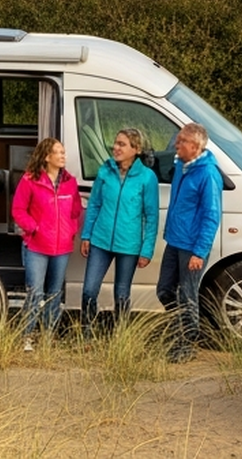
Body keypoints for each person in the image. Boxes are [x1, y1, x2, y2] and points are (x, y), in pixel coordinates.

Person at [77, 127, 158, 337]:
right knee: (88, 291)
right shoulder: (105, 170)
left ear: (136, 149)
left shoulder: (147, 177)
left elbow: (151, 217)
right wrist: (86, 235)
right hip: (100, 241)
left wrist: (146, 250)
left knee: (121, 294)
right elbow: (94, 204)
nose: (116, 147)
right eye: (116, 143)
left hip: (129, 246)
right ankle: (87, 334)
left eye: (122, 144)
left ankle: (120, 337)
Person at [157, 122, 223, 362]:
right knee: (164, 290)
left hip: (192, 247)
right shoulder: (181, 165)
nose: (176, 143)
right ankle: (181, 329)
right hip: (174, 240)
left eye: (181, 141)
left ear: (195, 146)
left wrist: (199, 251)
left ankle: (186, 344)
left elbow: (211, 215)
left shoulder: (207, 174)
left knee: (187, 295)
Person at [10, 137, 81, 349]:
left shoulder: (70, 182)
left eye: (63, 152)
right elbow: (18, 210)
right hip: (37, 246)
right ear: (47, 157)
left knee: (55, 293)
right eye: (58, 152)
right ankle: (27, 336)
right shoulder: (30, 180)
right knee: (35, 292)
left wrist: (71, 230)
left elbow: (76, 211)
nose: (63, 156)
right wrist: (34, 228)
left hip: (62, 248)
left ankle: (49, 336)